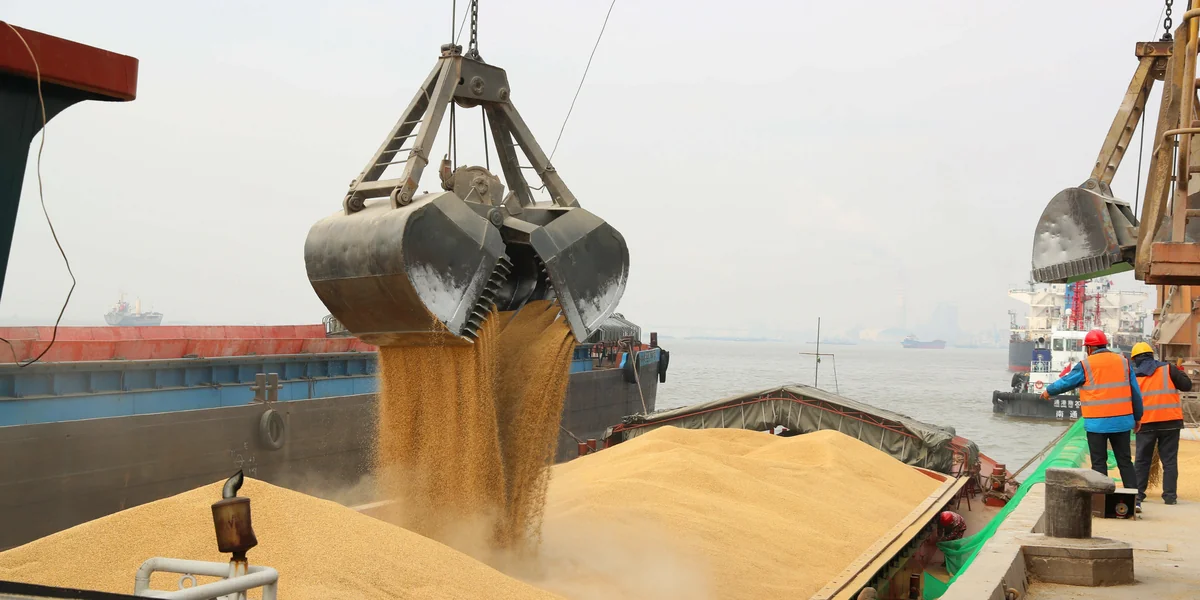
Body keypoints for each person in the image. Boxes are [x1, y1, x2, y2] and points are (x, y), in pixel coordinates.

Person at [1042, 329, 1142, 488]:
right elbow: (1135, 392)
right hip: (1122, 422)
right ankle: (1134, 498)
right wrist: (1138, 417)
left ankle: (1101, 497)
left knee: (1099, 463)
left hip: (1097, 425)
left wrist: (1049, 391)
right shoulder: (1123, 362)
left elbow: (1066, 382)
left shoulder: (1086, 365)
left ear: (1089, 348)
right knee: (1125, 461)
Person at [1131, 342, 1192, 507]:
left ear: (1135, 359)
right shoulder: (1169, 369)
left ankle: (1138, 494)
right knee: (1169, 461)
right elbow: (1186, 386)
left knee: (1142, 461)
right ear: (1152, 355)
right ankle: (1170, 496)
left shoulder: (1134, 376)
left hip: (1146, 423)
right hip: (1170, 422)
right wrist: (1180, 372)